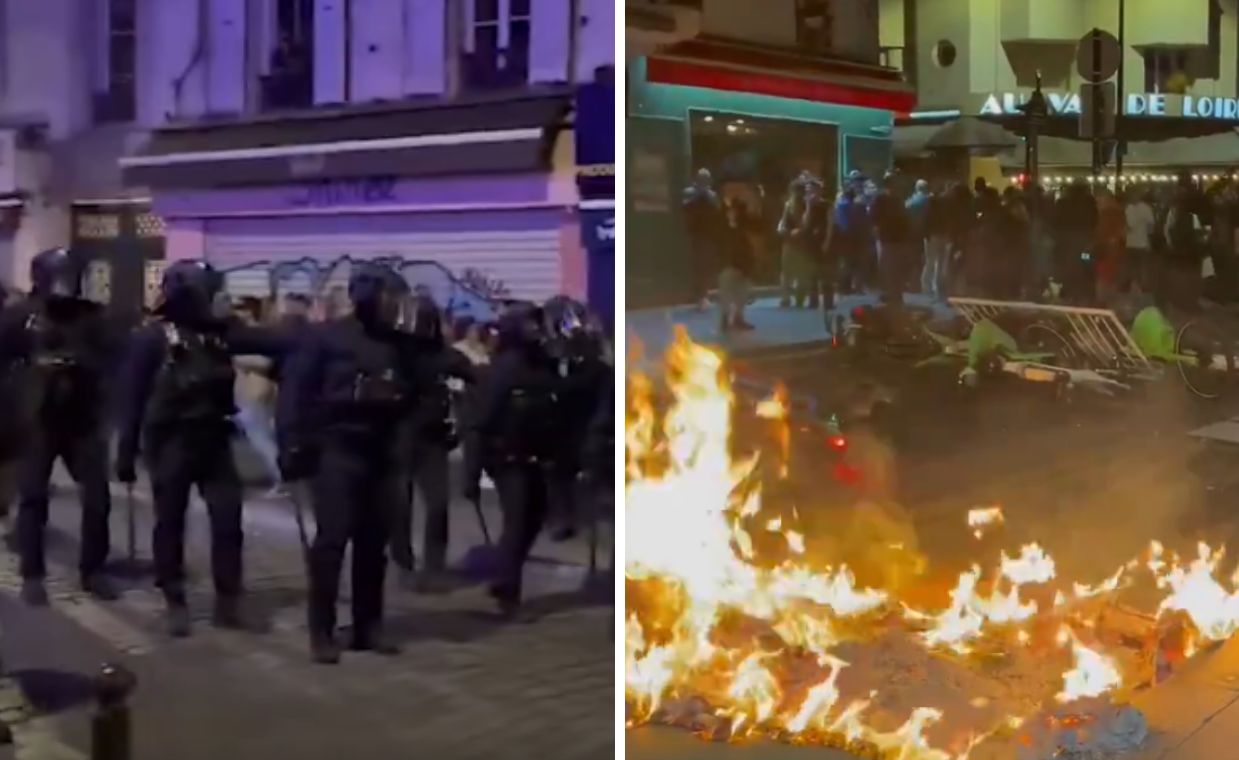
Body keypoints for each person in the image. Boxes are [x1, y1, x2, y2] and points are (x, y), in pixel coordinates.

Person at [115, 261, 272, 636]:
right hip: (171, 441)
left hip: (214, 439)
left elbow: (270, 343)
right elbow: (132, 397)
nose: (221, 297)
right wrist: (126, 451)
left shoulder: (218, 335)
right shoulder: (152, 339)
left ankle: (228, 602)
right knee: (170, 522)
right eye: (212, 288)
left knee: (228, 519)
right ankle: (174, 600)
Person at [278, 262, 416, 664]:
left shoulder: (397, 344)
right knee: (332, 543)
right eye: (392, 298)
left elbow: (410, 394)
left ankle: (367, 626)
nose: (397, 307)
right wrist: (290, 445)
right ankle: (321, 629)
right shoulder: (326, 338)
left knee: (374, 545)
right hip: (335, 450)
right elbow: (294, 393)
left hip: (381, 452)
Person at [0, 249, 118, 605]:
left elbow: (111, 361)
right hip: (37, 420)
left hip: (82, 420)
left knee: (98, 497)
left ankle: (93, 570)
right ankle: (33, 575)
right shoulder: (21, 317)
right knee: (34, 498)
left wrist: (80, 365)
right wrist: (33, 371)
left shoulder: (91, 318)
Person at [471, 303, 559, 617]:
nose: (536, 331)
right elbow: (482, 418)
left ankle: (503, 574)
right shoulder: (504, 367)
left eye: (538, 324)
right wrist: (473, 468)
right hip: (507, 457)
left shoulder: (543, 363)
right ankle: (508, 594)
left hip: (536, 454)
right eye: (530, 325)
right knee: (518, 520)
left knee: (535, 518)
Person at [390, 296, 474, 592]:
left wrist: (462, 422)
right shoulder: (391, 353)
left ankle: (434, 565)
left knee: (438, 503)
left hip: (432, 439)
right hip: (397, 436)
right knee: (399, 506)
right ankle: (403, 563)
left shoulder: (443, 355)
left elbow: (472, 377)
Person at [542, 296, 605, 542]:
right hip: (558, 424)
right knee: (558, 474)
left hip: (583, 422)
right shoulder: (548, 356)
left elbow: (594, 379)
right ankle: (561, 518)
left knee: (575, 471)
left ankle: (578, 516)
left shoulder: (591, 360)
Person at [682, 169, 723, 310]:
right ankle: (696, 295)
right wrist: (699, 194)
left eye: (706, 179)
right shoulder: (689, 192)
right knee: (696, 266)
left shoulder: (711, 195)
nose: (704, 182)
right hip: (694, 235)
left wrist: (706, 194)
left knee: (706, 266)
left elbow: (718, 209)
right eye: (702, 179)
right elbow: (686, 206)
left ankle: (703, 296)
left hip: (709, 235)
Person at [871, 172, 913, 305]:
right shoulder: (882, 199)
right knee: (888, 268)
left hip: (896, 240)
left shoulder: (896, 200)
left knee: (894, 268)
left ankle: (894, 294)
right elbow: (874, 219)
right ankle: (889, 293)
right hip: (887, 239)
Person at [717, 196, 756, 332]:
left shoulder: (740, 228)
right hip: (730, 264)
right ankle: (727, 320)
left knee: (739, 295)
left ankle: (735, 319)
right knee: (729, 293)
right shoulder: (726, 227)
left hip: (738, 265)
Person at [1124, 189, 1157, 295]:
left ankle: (1140, 287)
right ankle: (1138, 287)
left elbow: (1151, 225)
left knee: (1139, 267)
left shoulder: (1140, 208)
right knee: (1136, 267)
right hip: (1134, 243)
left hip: (1138, 243)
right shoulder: (1131, 208)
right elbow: (1151, 225)